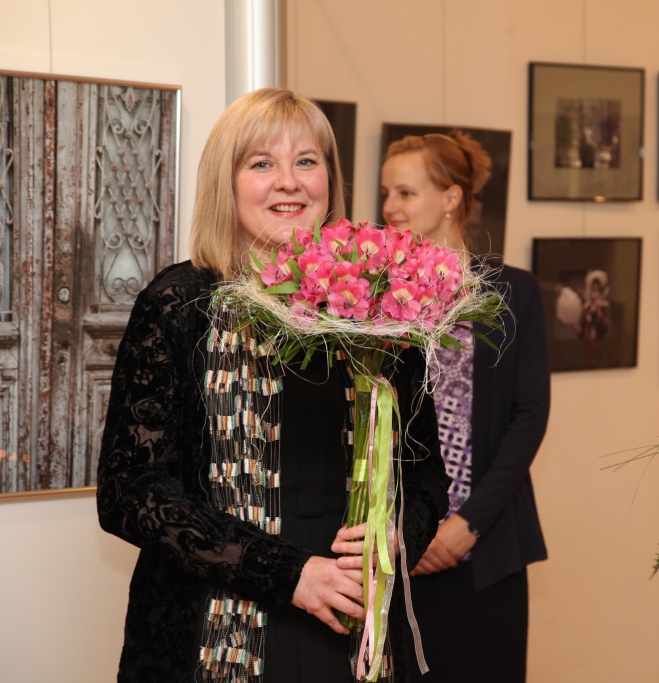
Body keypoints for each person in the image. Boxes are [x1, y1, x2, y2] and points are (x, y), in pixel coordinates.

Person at [96, 88, 450, 683]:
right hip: (209, 633)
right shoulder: (180, 303)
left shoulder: (381, 308)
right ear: (226, 182)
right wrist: (290, 575)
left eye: (306, 161)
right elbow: (131, 492)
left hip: (348, 633)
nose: (289, 182)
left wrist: (395, 537)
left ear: (329, 180)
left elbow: (425, 475)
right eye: (262, 164)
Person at [379, 131, 551, 683]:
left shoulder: (512, 292)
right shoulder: (372, 295)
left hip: (487, 548)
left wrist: (467, 525)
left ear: (451, 198)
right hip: (397, 550)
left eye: (405, 193)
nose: (389, 208)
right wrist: (406, 526)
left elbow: (530, 416)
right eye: (387, 194)